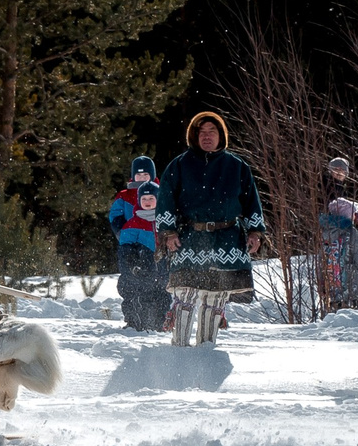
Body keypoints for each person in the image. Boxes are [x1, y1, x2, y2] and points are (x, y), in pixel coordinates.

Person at [155, 111, 265, 346]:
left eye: (212, 131)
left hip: (226, 240)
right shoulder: (180, 165)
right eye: (201, 132)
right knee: (185, 294)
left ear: (221, 135)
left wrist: (255, 232)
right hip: (189, 239)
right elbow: (165, 200)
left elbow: (251, 201)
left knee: (216, 299)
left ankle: (206, 350)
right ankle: (179, 349)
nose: (206, 136)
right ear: (193, 136)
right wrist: (169, 232)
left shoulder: (237, 166)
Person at [109, 158, 168, 331]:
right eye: (139, 174)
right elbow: (115, 216)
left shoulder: (162, 192)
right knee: (135, 288)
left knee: (161, 290)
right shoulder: (125, 195)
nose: (142, 178)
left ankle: (162, 321)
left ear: (153, 175)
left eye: (146, 174)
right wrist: (123, 233)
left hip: (156, 241)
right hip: (134, 239)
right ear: (133, 175)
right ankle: (135, 322)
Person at [314, 156, 358, 318]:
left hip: (332, 278)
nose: (339, 173)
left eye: (343, 171)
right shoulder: (327, 186)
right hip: (349, 280)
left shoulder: (339, 188)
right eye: (336, 170)